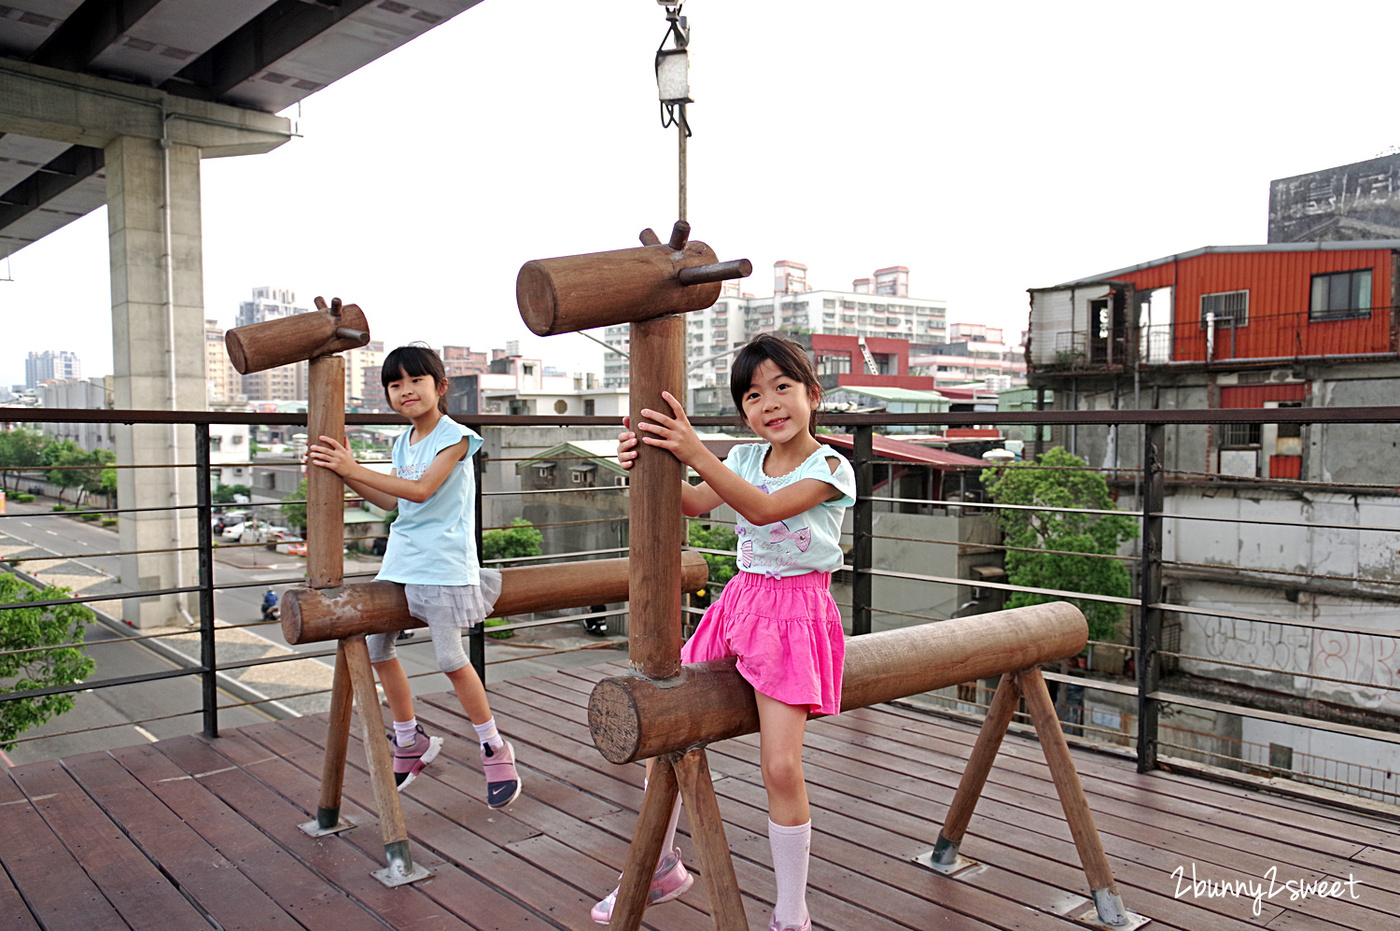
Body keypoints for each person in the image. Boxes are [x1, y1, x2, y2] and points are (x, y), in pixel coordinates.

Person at [592, 333, 854, 931]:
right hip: (739, 601)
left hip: (794, 613)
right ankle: (658, 868)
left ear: (812, 394)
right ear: (743, 411)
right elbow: (689, 503)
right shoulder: (740, 458)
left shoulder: (831, 466)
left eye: (782, 388)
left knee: (781, 767)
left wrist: (693, 449)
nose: (770, 404)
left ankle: (792, 909)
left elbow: (764, 511)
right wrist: (646, 458)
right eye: (754, 396)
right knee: (668, 726)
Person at [307, 344, 521, 808]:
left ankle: (493, 746)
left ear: (440, 387)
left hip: (442, 562)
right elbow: (391, 502)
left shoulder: (456, 436)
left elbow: (422, 491)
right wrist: (347, 473)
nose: (405, 391)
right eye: (395, 384)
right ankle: (410, 740)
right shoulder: (404, 441)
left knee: (449, 657)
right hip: (403, 561)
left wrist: (353, 468)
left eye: (415, 380)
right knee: (378, 647)